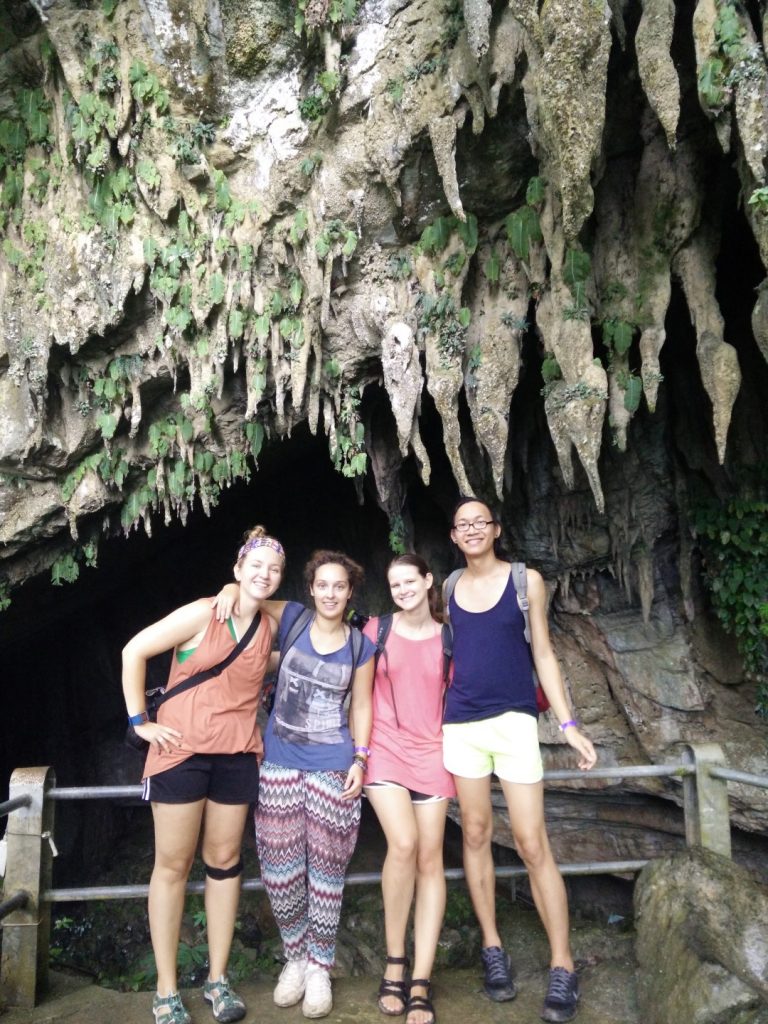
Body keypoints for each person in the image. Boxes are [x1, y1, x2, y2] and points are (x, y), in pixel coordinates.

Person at [441, 497, 597, 1024]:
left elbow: (544, 654)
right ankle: (492, 949)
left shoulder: (524, 582)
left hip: (514, 724)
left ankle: (563, 965)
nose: (473, 530)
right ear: (454, 536)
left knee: (532, 842)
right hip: (461, 724)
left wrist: (569, 725)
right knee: (477, 833)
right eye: (463, 525)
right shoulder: (447, 589)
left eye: (480, 522)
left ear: (496, 529)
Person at [122, 525, 285, 1024]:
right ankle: (166, 991)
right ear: (236, 568)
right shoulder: (203, 612)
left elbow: (317, 610)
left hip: (236, 754)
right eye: (253, 567)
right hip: (181, 752)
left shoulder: (270, 623)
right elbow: (134, 651)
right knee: (172, 865)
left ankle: (217, 979)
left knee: (225, 861)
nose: (264, 575)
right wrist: (140, 724)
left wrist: (242, 591)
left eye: (274, 570)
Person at [215, 550, 375, 1019]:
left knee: (327, 874)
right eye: (322, 584)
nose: (330, 593)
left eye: (339, 586)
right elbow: (251, 596)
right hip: (280, 762)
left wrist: (361, 760)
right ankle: (296, 957)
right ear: (311, 588)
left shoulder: (360, 645)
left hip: (333, 764)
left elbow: (361, 706)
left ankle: (321, 967)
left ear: (350, 592)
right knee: (281, 871)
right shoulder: (295, 620)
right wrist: (228, 588)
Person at [362, 554, 455, 1024]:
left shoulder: (449, 637)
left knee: (429, 857)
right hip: (384, 747)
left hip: (434, 751)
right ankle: (394, 960)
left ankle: (421, 977)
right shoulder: (375, 631)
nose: (402, 589)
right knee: (403, 843)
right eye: (394, 583)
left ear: (428, 580)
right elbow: (354, 691)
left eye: (409, 581)